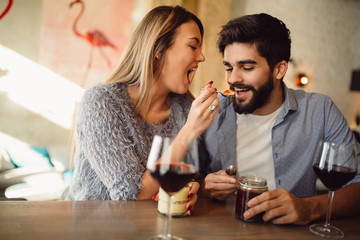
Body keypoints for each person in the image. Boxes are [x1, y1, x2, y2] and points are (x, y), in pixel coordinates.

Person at [200, 13, 360, 224]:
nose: (232, 79)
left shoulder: (320, 110)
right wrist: (205, 188)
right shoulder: (211, 110)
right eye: (229, 67)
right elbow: (182, 179)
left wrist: (310, 208)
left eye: (247, 68)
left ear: (279, 69)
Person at [64, 5, 219, 216]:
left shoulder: (185, 108)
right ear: (158, 50)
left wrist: (193, 188)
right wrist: (189, 131)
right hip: (94, 230)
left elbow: (185, 177)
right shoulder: (101, 103)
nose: (202, 57)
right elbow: (131, 196)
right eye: (193, 46)